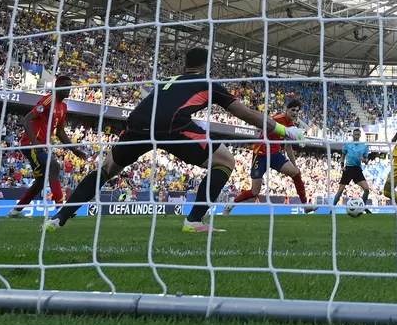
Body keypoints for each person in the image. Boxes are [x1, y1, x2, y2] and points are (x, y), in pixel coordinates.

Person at [42, 48, 303, 233]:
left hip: (136, 123)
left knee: (107, 169)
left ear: (185, 66)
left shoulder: (168, 80)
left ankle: (58, 218)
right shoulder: (206, 81)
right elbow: (246, 114)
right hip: (171, 126)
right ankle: (194, 220)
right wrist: (286, 131)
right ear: (205, 66)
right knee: (225, 160)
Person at [8, 76, 86, 218]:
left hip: (40, 146)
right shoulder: (48, 100)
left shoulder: (63, 107)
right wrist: (35, 142)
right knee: (54, 166)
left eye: (70, 86)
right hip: (31, 144)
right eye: (66, 86)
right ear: (58, 87)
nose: (69, 89)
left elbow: (60, 132)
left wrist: (74, 149)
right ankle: (61, 208)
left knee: (40, 182)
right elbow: (27, 120)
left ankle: (15, 212)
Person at [223, 98, 311, 214]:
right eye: (293, 110)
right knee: (255, 192)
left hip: (274, 155)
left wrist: (295, 165)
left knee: (296, 173)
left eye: (297, 111)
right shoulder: (277, 119)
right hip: (261, 154)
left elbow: (288, 146)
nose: (295, 113)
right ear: (287, 110)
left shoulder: (291, 126)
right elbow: (263, 125)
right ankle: (232, 203)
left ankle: (305, 206)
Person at [324, 127, 373, 215]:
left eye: (358, 135)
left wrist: (363, 159)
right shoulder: (347, 145)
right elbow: (343, 157)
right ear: (353, 135)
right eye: (355, 135)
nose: (356, 136)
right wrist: (342, 166)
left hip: (357, 169)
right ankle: (332, 209)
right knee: (340, 190)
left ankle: (363, 207)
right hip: (348, 169)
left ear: (360, 135)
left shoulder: (364, 146)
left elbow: (366, 161)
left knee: (366, 189)